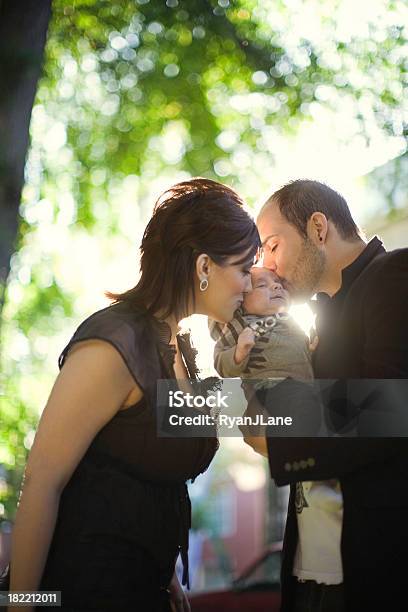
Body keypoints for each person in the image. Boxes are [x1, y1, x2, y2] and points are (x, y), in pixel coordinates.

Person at [7, 178, 260, 612]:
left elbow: (146, 470)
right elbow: (41, 483)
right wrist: (20, 608)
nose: (249, 284)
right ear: (204, 266)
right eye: (243, 267)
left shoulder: (180, 348)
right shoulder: (113, 344)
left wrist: (166, 580)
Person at [244, 179, 408, 612]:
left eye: (273, 246)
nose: (269, 267)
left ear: (318, 227)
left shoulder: (396, 274)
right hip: (308, 572)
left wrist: (276, 431)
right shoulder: (318, 321)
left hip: (375, 574)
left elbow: (391, 407)